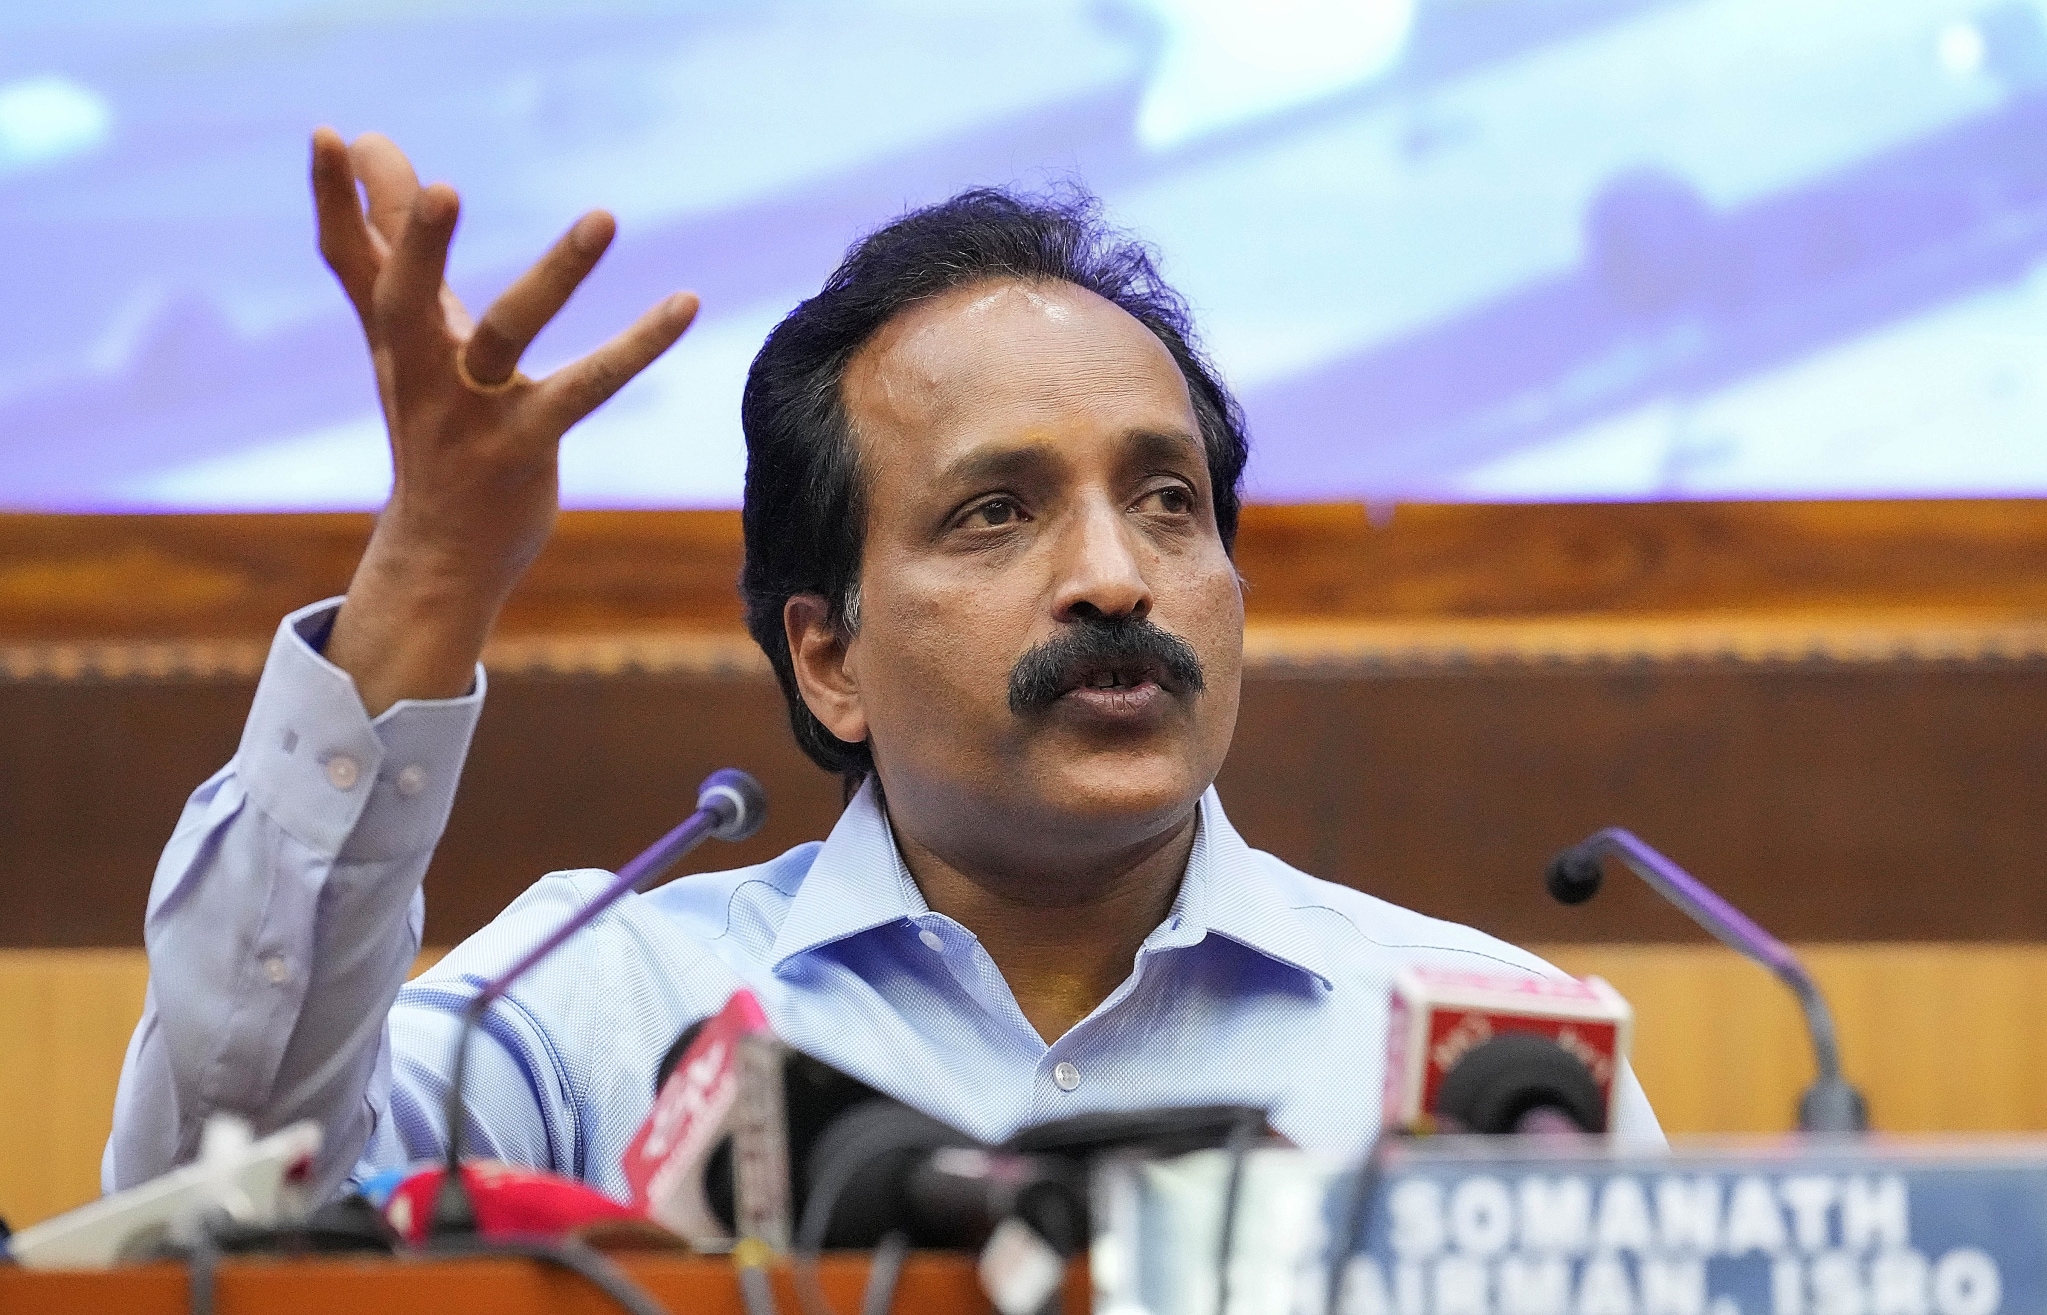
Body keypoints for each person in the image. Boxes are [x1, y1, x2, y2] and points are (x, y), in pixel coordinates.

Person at [106, 129, 1660, 1201]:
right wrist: (431, 572)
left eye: (1167, 501)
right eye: (996, 513)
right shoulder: (603, 1011)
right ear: (828, 657)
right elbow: (211, 1207)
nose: (1115, 576)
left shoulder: (1489, 1061)